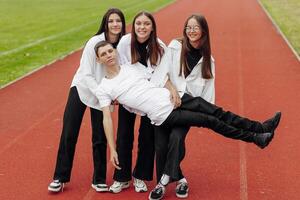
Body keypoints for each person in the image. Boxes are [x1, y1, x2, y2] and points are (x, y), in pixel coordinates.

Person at [94, 41, 281, 199]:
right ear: (99, 59)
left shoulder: (132, 67)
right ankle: (256, 138)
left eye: (110, 50)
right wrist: (113, 148)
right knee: (211, 121)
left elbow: (159, 77)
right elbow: (106, 119)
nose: (109, 55)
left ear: (116, 51)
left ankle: (260, 127)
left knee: (216, 111)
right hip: (165, 114)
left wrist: (173, 90)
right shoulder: (104, 88)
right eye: (103, 54)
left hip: (177, 98)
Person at [47, 8, 126, 193]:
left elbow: (122, 72)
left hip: (103, 94)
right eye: (111, 21)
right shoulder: (94, 42)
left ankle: (98, 179)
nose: (115, 24)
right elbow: (87, 73)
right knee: (69, 132)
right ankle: (60, 177)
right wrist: (101, 93)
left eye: (118, 21)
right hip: (82, 88)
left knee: (100, 136)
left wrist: (115, 93)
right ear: (105, 24)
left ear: (122, 24)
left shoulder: (123, 45)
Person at [109, 11, 178, 194]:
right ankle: (121, 178)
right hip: (128, 94)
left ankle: (140, 175)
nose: (142, 27)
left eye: (146, 24)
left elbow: (162, 74)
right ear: (134, 26)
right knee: (124, 135)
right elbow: (119, 69)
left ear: (152, 27)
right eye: (138, 23)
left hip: (149, 97)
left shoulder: (160, 46)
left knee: (147, 136)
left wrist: (170, 89)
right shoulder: (125, 43)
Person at [153, 14, 216, 199]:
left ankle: (162, 182)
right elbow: (160, 74)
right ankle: (181, 180)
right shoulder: (174, 47)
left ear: (203, 31)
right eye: (188, 27)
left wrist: (205, 118)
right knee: (161, 146)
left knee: (176, 138)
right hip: (164, 103)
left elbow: (208, 95)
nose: (191, 31)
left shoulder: (208, 61)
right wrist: (172, 89)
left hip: (188, 109)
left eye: (195, 27)